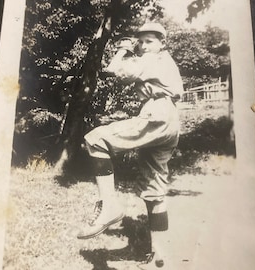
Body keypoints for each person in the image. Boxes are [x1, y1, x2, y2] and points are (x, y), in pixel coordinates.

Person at [77, 22, 183, 269]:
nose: (144, 45)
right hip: (170, 119)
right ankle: (160, 255)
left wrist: (123, 50)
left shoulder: (151, 59)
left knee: (95, 139)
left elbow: (114, 71)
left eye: (150, 41)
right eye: (142, 41)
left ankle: (109, 205)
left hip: (157, 113)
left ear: (161, 43)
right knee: (154, 188)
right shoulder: (164, 60)